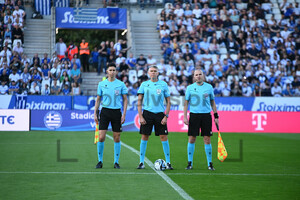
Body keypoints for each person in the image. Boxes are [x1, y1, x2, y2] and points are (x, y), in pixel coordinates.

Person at [136, 65, 173, 170]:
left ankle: (168, 162)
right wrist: (141, 116)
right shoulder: (144, 84)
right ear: (148, 73)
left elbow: (169, 101)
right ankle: (141, 162)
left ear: (158, 73)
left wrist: (166, 116)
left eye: (155, 71)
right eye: (151, 71)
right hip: (147, 114)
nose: (153, 73)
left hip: (160, 114)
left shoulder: (163, 84)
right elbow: (139, 101)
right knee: (144, 136)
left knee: (163, 137)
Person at [94, 63, 128, 169]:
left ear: (116, 72)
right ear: (107, 71)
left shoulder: (121, 84)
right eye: (110, 70)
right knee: (101, 137)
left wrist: (124, 114)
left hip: (116, 112)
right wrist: (95, 113)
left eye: (114, 70)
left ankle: (116, 162)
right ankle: (100, 161)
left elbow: (125, 100)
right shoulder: (101, 84)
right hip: (105, 112)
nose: (112, 72)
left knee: (116, 138)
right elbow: (98, 99)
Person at [183, 69, 219, 171]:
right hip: (194, 116)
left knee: (207, 139)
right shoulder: (190, 88)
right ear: (194, 77)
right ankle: (189, 163)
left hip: (206, 116)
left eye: (200, 74)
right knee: (192, 139)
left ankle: (210, 164)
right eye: (196, 75)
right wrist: (185, 116)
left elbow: (212, 102)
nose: (198, 76)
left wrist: (216, 116)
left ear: (203, 75)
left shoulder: (209, 87)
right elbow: (186, 103)